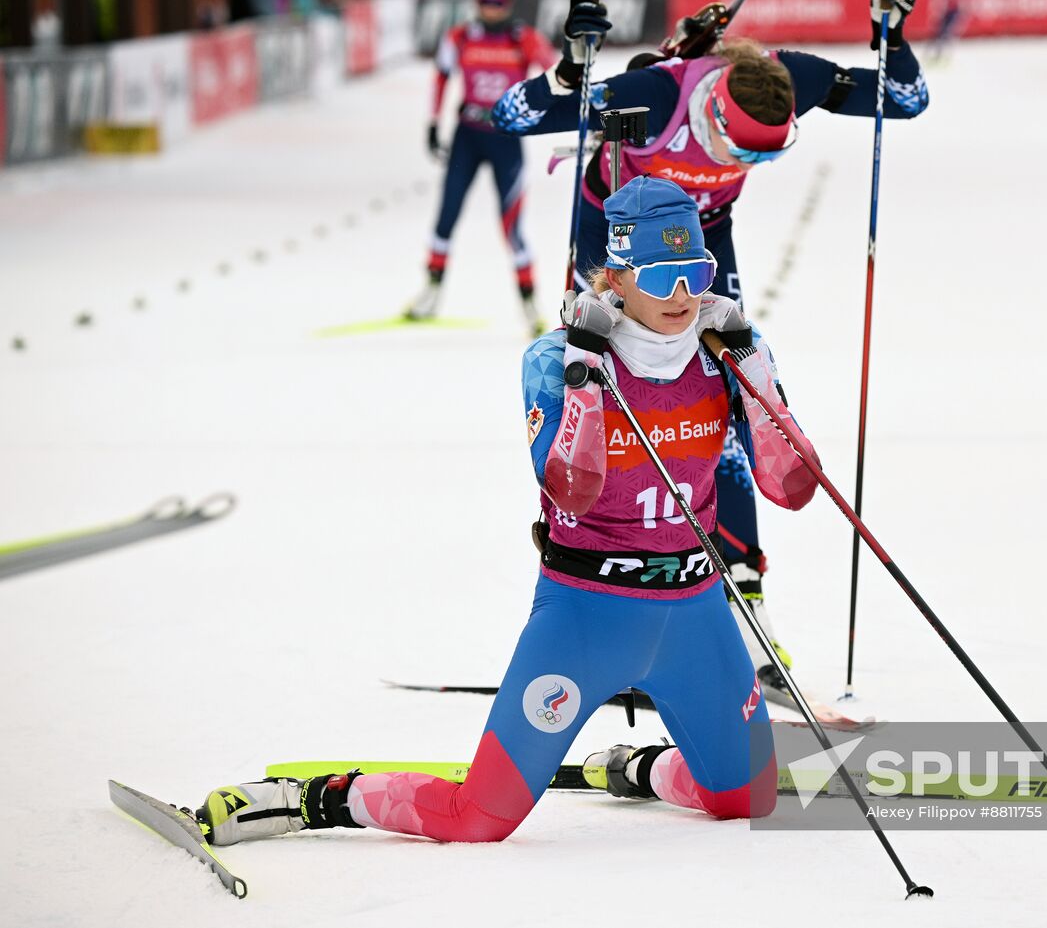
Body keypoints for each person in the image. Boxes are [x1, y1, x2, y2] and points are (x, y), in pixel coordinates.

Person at [195, 177, 820, 846]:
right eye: (662, 275)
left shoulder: (726, 354)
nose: (682, 296)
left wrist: (753, 368)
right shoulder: (554, 358)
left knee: (742, 796)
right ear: (617, 274)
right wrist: (585, 364)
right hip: (586, 614)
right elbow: (572, 488)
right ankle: (313, 800)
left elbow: (792, 488)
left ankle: (641, 768)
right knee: (480, 819)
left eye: (695, 272)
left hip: (697, 612)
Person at [491, 0, 925, 690]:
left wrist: (894, 28)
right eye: (735, 148)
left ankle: (741, 600)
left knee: (726, 411)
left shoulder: (793, 76)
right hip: (614, 249)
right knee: (615, 415)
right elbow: (512, 115)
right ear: (715, 112)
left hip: (701, 245)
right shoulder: (658, 96)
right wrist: (571, 71)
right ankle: (613, 600)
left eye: (764, 153)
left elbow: (904, 98)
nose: (742, 158)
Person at [407, 0, 557, 334]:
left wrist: (542, 113)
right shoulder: (460, 37)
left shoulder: (523, 37)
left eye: (498, 0)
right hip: (468, 136)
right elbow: (441, 77)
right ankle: (431, 291)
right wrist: (432, 123)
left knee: (511, 226)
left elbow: (556, 73)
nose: (491, 7)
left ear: (509, 3)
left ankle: (529, 304)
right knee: (447, 213)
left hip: (505, 139)